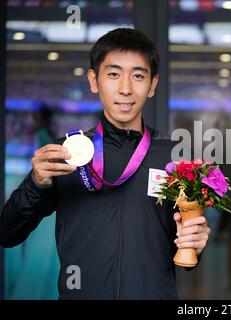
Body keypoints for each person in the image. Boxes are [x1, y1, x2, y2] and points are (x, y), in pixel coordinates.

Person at [0, 28, 210, 299]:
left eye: (138, 76)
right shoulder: (66, 154)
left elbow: (182, 243)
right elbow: (8, 233)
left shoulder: (175, 159)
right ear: (93, 79)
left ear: (153, 84)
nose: (125, 88)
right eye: (113, 74)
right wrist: (36, 183)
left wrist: (195, 241)